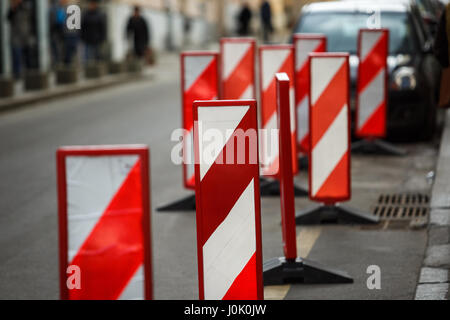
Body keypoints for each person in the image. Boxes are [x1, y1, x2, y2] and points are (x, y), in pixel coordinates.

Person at [7, 0, 32, 79]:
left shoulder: (26, 5)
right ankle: (17, 75)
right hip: (16, 37)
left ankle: (29, 74)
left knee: (27, 57)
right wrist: (13, 8)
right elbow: (8, 17)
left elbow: (29, 15)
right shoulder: (13, 9)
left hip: (25, 36)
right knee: (17, 56)